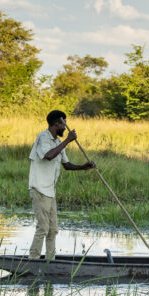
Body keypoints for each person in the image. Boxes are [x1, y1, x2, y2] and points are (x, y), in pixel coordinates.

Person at [28, 110, 95, 261]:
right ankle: (33, 260)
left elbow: (67, 165)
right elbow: (49, 156)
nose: (66, 129)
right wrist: (68, 140)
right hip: (39, 189)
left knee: (52, 230)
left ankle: (50, 261)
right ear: (56, 125)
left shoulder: (58, 143)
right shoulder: (43, 138)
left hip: (50, 192)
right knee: (43, 228)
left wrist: (85, 166)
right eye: (64, 125)